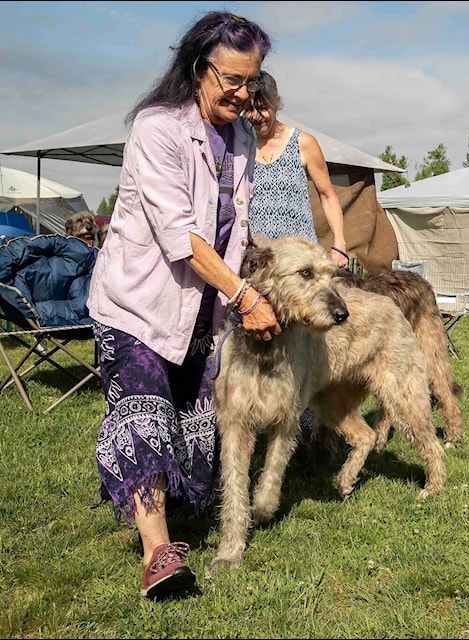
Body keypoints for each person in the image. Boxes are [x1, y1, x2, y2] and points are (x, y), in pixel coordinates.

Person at [87, 11, 280, 599]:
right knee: (144, 411)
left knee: (192, 420)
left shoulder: (243, 137)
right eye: (233, 80)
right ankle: (157, 554)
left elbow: (237, 226)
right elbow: (181, 235)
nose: (245, 93)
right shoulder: (157, 129)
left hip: (202, 307)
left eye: (254, 81)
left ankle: (180, 512)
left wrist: (273, 273)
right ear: (199, 68)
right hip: (139, 302)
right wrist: (245, 294)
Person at [244, 70, 348, 268]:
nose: (256, 116)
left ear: (276, 103)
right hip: (257, 260)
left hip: (300, 261)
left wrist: (339, 243)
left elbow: (328, 196)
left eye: (263, 108)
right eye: (249, 109)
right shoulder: (239, 145)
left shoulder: (303, 143)